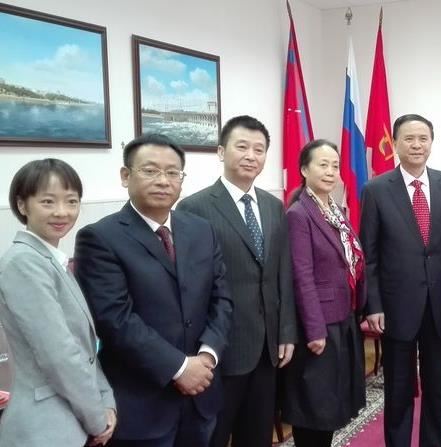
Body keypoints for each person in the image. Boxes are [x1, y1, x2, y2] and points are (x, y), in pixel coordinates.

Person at [74, 134, 233, 447]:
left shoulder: (201, 230)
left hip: (202, 396)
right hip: (142, 405)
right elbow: (114, 319)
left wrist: (207, 355)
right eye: (150, 170)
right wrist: (179, 368)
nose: (163, 180)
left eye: (173, 172)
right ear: (126, 176)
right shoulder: (100, 238)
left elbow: (222, 299)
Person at [176, 115, 296, 447]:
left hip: (267, 347)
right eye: (242, 147)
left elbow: (282, 273)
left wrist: (286, 330)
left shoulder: (273, 206)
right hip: (219, 349)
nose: (250, 156)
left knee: (256, 436)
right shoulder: (194, 208)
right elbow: (190, 286)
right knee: (212, 436)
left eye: (259, 149)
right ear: (221, 151)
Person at [360, 114, 441, 447]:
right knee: (398, 388)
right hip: (395, 307)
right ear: (394, 144)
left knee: (437, 387)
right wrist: (373, 305)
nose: (416, 145)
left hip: (440, 305)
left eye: (423, 138)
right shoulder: (376, 190)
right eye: (408, 138)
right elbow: (369, 255)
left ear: (431, 142)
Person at [0, 159, 116, 446]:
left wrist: (107, 401)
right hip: (45, 427)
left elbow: (86, 349)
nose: (62, 212)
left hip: (70, 418)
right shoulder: (23, 263)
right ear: (23, 205)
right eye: (48, 202)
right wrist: (97, 418)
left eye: (71, 201)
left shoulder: (52, 261)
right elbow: (60, 355)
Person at [281, 139, 366, 447]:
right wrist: (315, 329)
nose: (331, 172)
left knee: (331, 403)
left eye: (335, 166)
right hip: (319, 326)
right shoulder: (299, 214)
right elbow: (301, 275)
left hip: (343, 317)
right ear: (304, 169)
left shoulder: (334, 210)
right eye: (323, 165)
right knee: (314, 407)